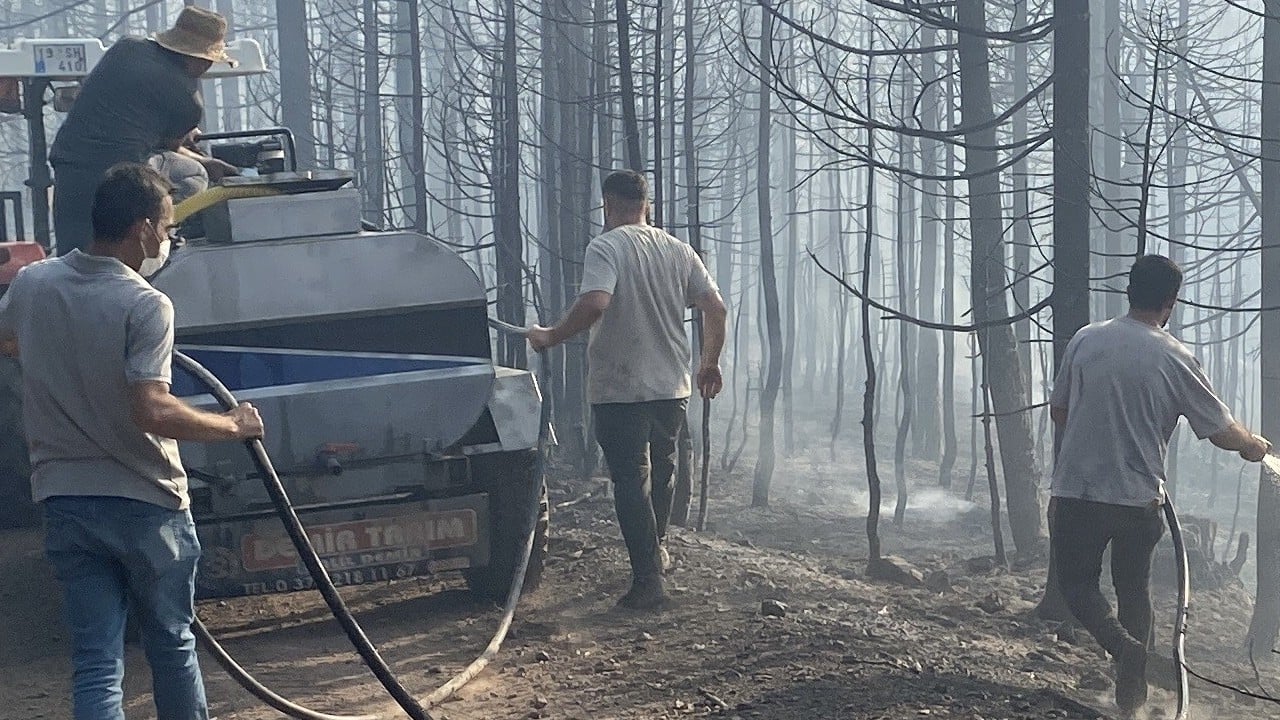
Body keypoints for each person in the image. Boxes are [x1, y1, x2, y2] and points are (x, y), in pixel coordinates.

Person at [0, 163, 264, 720]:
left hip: (66, 500)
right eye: (166, 230)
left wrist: (60, 359)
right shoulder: (146, 303)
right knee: (171, 645)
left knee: (97, 661)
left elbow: (8, 342)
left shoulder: (33, 283)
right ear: (143, 229)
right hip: (146, 506)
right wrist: (232, 426)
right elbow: (152, 408)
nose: (165, 241)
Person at [1048, 254, 1269, 718]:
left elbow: (1060, 411)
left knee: (1076, 585)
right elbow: (1220, 428)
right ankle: (1131, 695)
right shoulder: (1174, 356)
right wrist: (1254, 447)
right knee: (1134, 594)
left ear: (1129, 291)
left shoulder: (1086, 339)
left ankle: (1125, 653)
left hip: (1076, 493)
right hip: (1137, 500)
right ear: (1170, 302)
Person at [527, 170, 728, 610]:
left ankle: (649, 580)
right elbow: (715, 307)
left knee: (631, 480)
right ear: (646, 205)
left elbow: (596, 302)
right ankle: (655, 555)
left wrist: (553, 335)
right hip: (671, 385)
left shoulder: (606, 247)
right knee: (663, 470)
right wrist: (709, 362)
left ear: (608, 205)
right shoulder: (679, 250)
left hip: (621, 387)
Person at [50, 6, 237, 256]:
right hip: (121, 177)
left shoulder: (126, 48)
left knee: (73, 252)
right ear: (202, 60)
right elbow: (169, 148)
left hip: (69, 162)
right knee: (194, 173)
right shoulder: (188, 101)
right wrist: (205, 160)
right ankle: (163, 239)